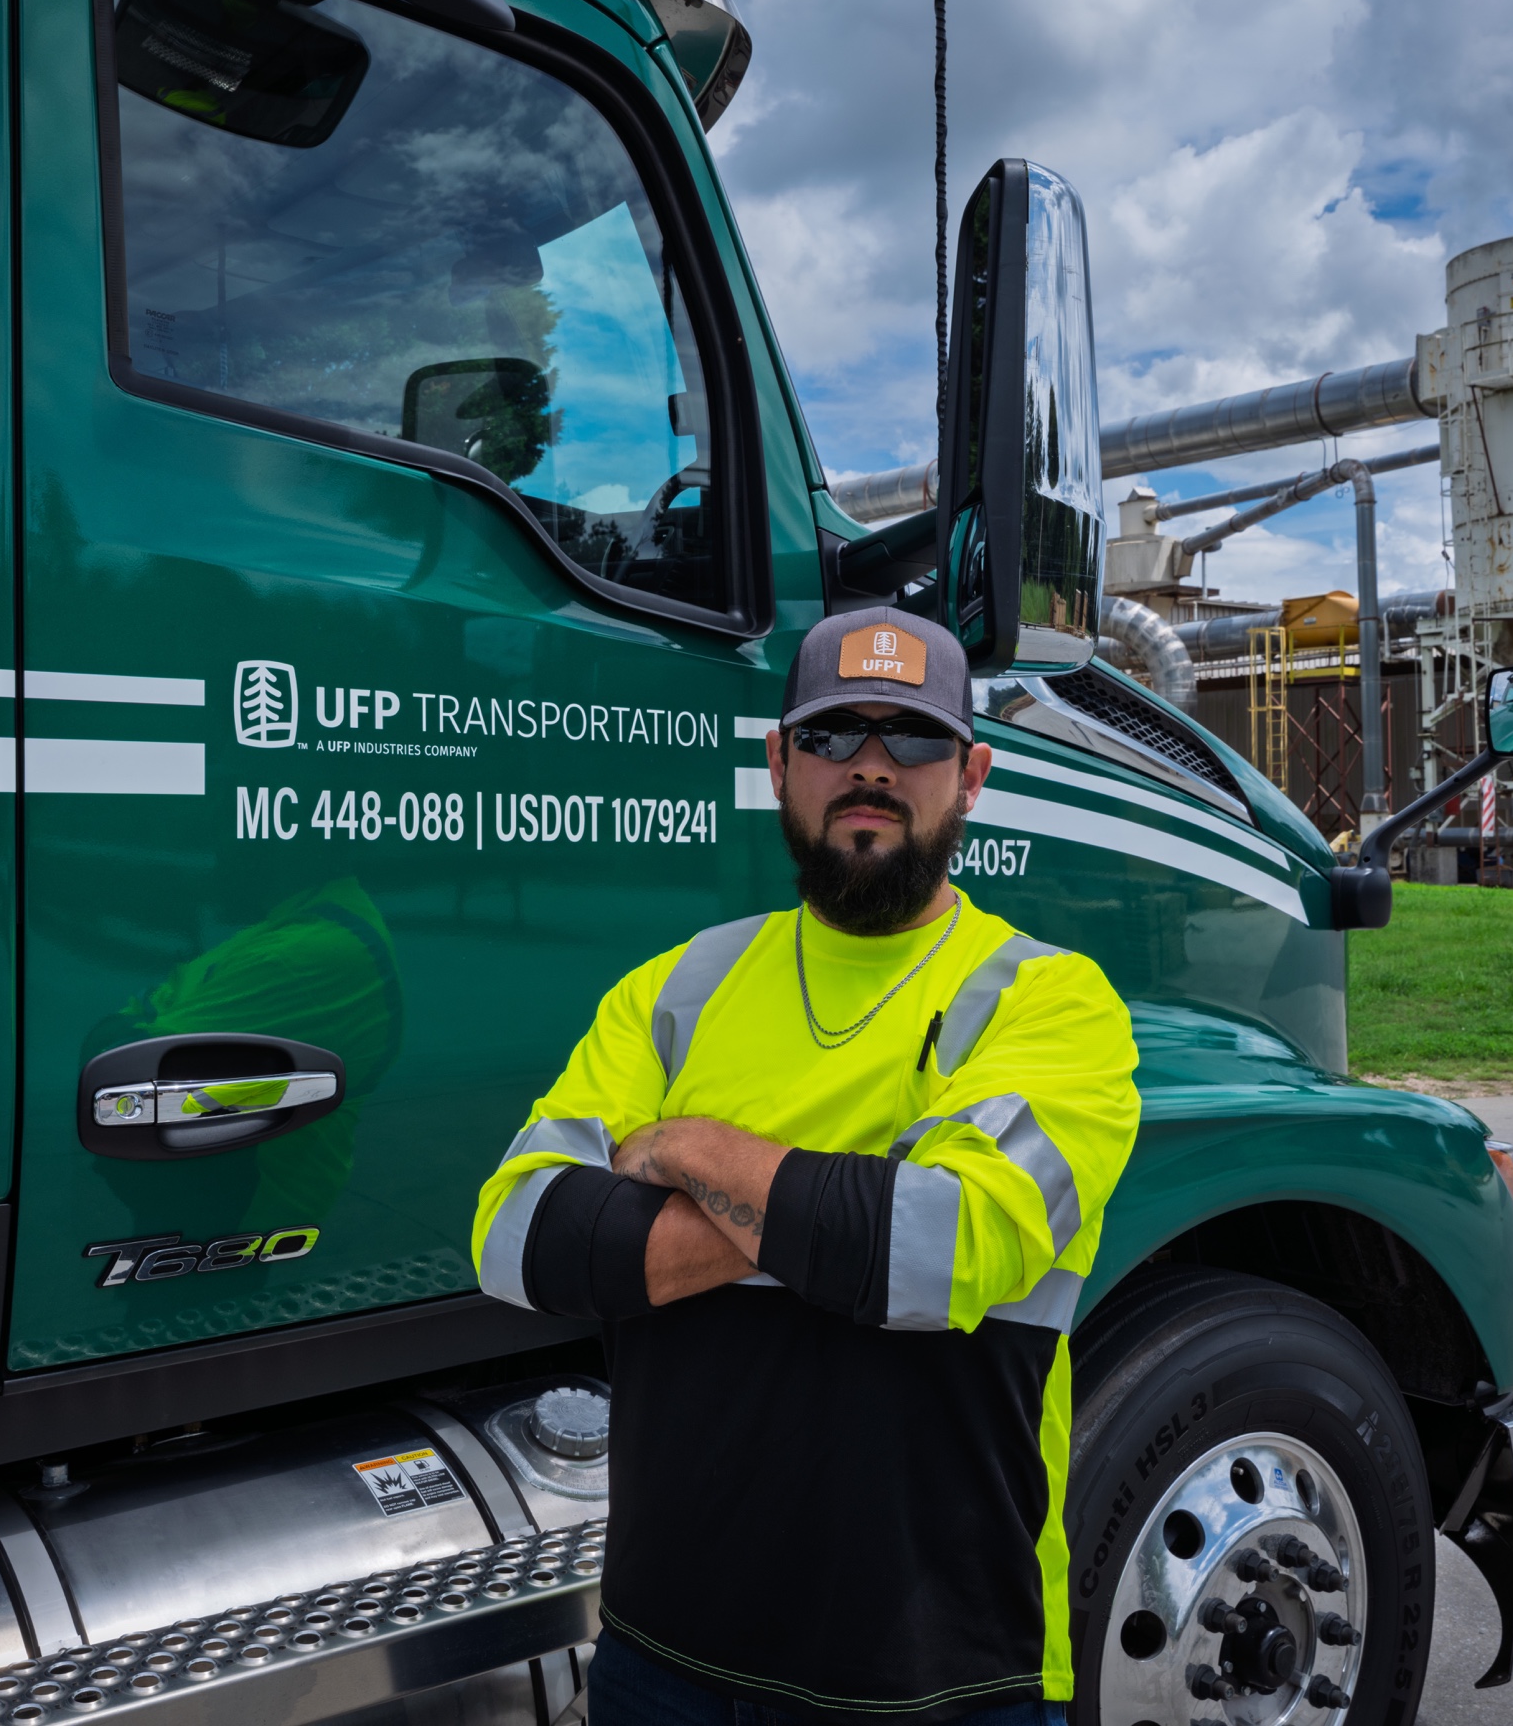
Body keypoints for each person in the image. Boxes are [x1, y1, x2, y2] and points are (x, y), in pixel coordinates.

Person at [473, 607, 1140, 1726]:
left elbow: (926, 1251)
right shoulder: (676, 988)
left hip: (939, 1675)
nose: (871, 766)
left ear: (970, 774)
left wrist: (683, 1149)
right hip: (660, 1659)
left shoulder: (1047, 999)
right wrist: (843, 1200)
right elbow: (516, 1240)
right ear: (780, 763)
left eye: (913, 740)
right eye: (834, 735)